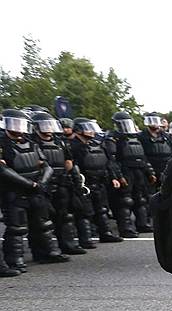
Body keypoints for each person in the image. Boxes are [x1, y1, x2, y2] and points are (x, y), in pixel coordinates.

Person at [1, 108, 70, 270]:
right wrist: (28, 184)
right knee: (17, 228)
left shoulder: (32, 143)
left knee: (43, 223)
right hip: (14, 191)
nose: (18, 128)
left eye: (21, 124)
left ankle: (46, 252)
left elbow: (46, 165)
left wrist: (42, 182)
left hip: (36, 189)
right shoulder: (2, 144)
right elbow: (3, 170)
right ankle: (14, 259)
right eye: (15, 123)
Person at [31, 111, 90, 254]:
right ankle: (44, 251)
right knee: (43, 220)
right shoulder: (33, 142)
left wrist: (70, 177)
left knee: (65, 216)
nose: (48, 128)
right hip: (42, 184)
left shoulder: (59, 141)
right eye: (45, 125)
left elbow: (68, 161)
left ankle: (68, 245)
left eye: (49, 125)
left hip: (61, 182)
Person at [70, 118, 123, 243]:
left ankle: (106, 233)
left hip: (99, 181)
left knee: (101, 209)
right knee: (84, 212)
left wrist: (113, 177)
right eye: (87, 128)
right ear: (78, 129)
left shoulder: (96, 144)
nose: (91, 131)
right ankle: (86, 239)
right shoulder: (72, 146)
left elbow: (108, 162)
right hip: (84, 183)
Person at [104, 112, 156, 236]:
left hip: (139, 170)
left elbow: (143, 157)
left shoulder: (136, 137)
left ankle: (142, 224)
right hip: (125, 170)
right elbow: (112, 160)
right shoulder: (112, 138)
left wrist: (150, 172)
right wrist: (118, 176)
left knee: (141, 199)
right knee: (125, 200)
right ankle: (126, 228)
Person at [138, 113, 172, 183]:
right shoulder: (141, 136)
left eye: (155, 120)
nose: (154, 123)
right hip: (150, 171)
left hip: (166, 170)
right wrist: (149, 172)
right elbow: (141, 155)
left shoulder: (167, 136)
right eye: (151, 121)